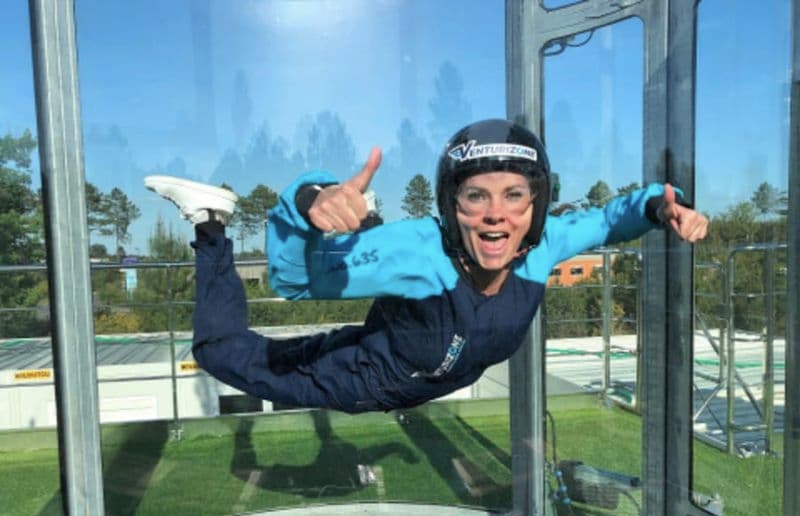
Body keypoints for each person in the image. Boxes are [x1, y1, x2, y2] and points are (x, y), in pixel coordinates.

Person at [145, 119, 708, 414]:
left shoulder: (545, 245)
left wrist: (664, 206)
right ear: (449, 205)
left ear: (535, 204)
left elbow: (615, 218)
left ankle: (318, 227)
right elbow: (293, 282)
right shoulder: (420, 253)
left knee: (369, 267)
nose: (495, 218)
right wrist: (306, 203)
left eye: (513, 195)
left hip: (423, 368)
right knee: (218, 353)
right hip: (361, 376)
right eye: (474, 198)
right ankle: (209, 223)